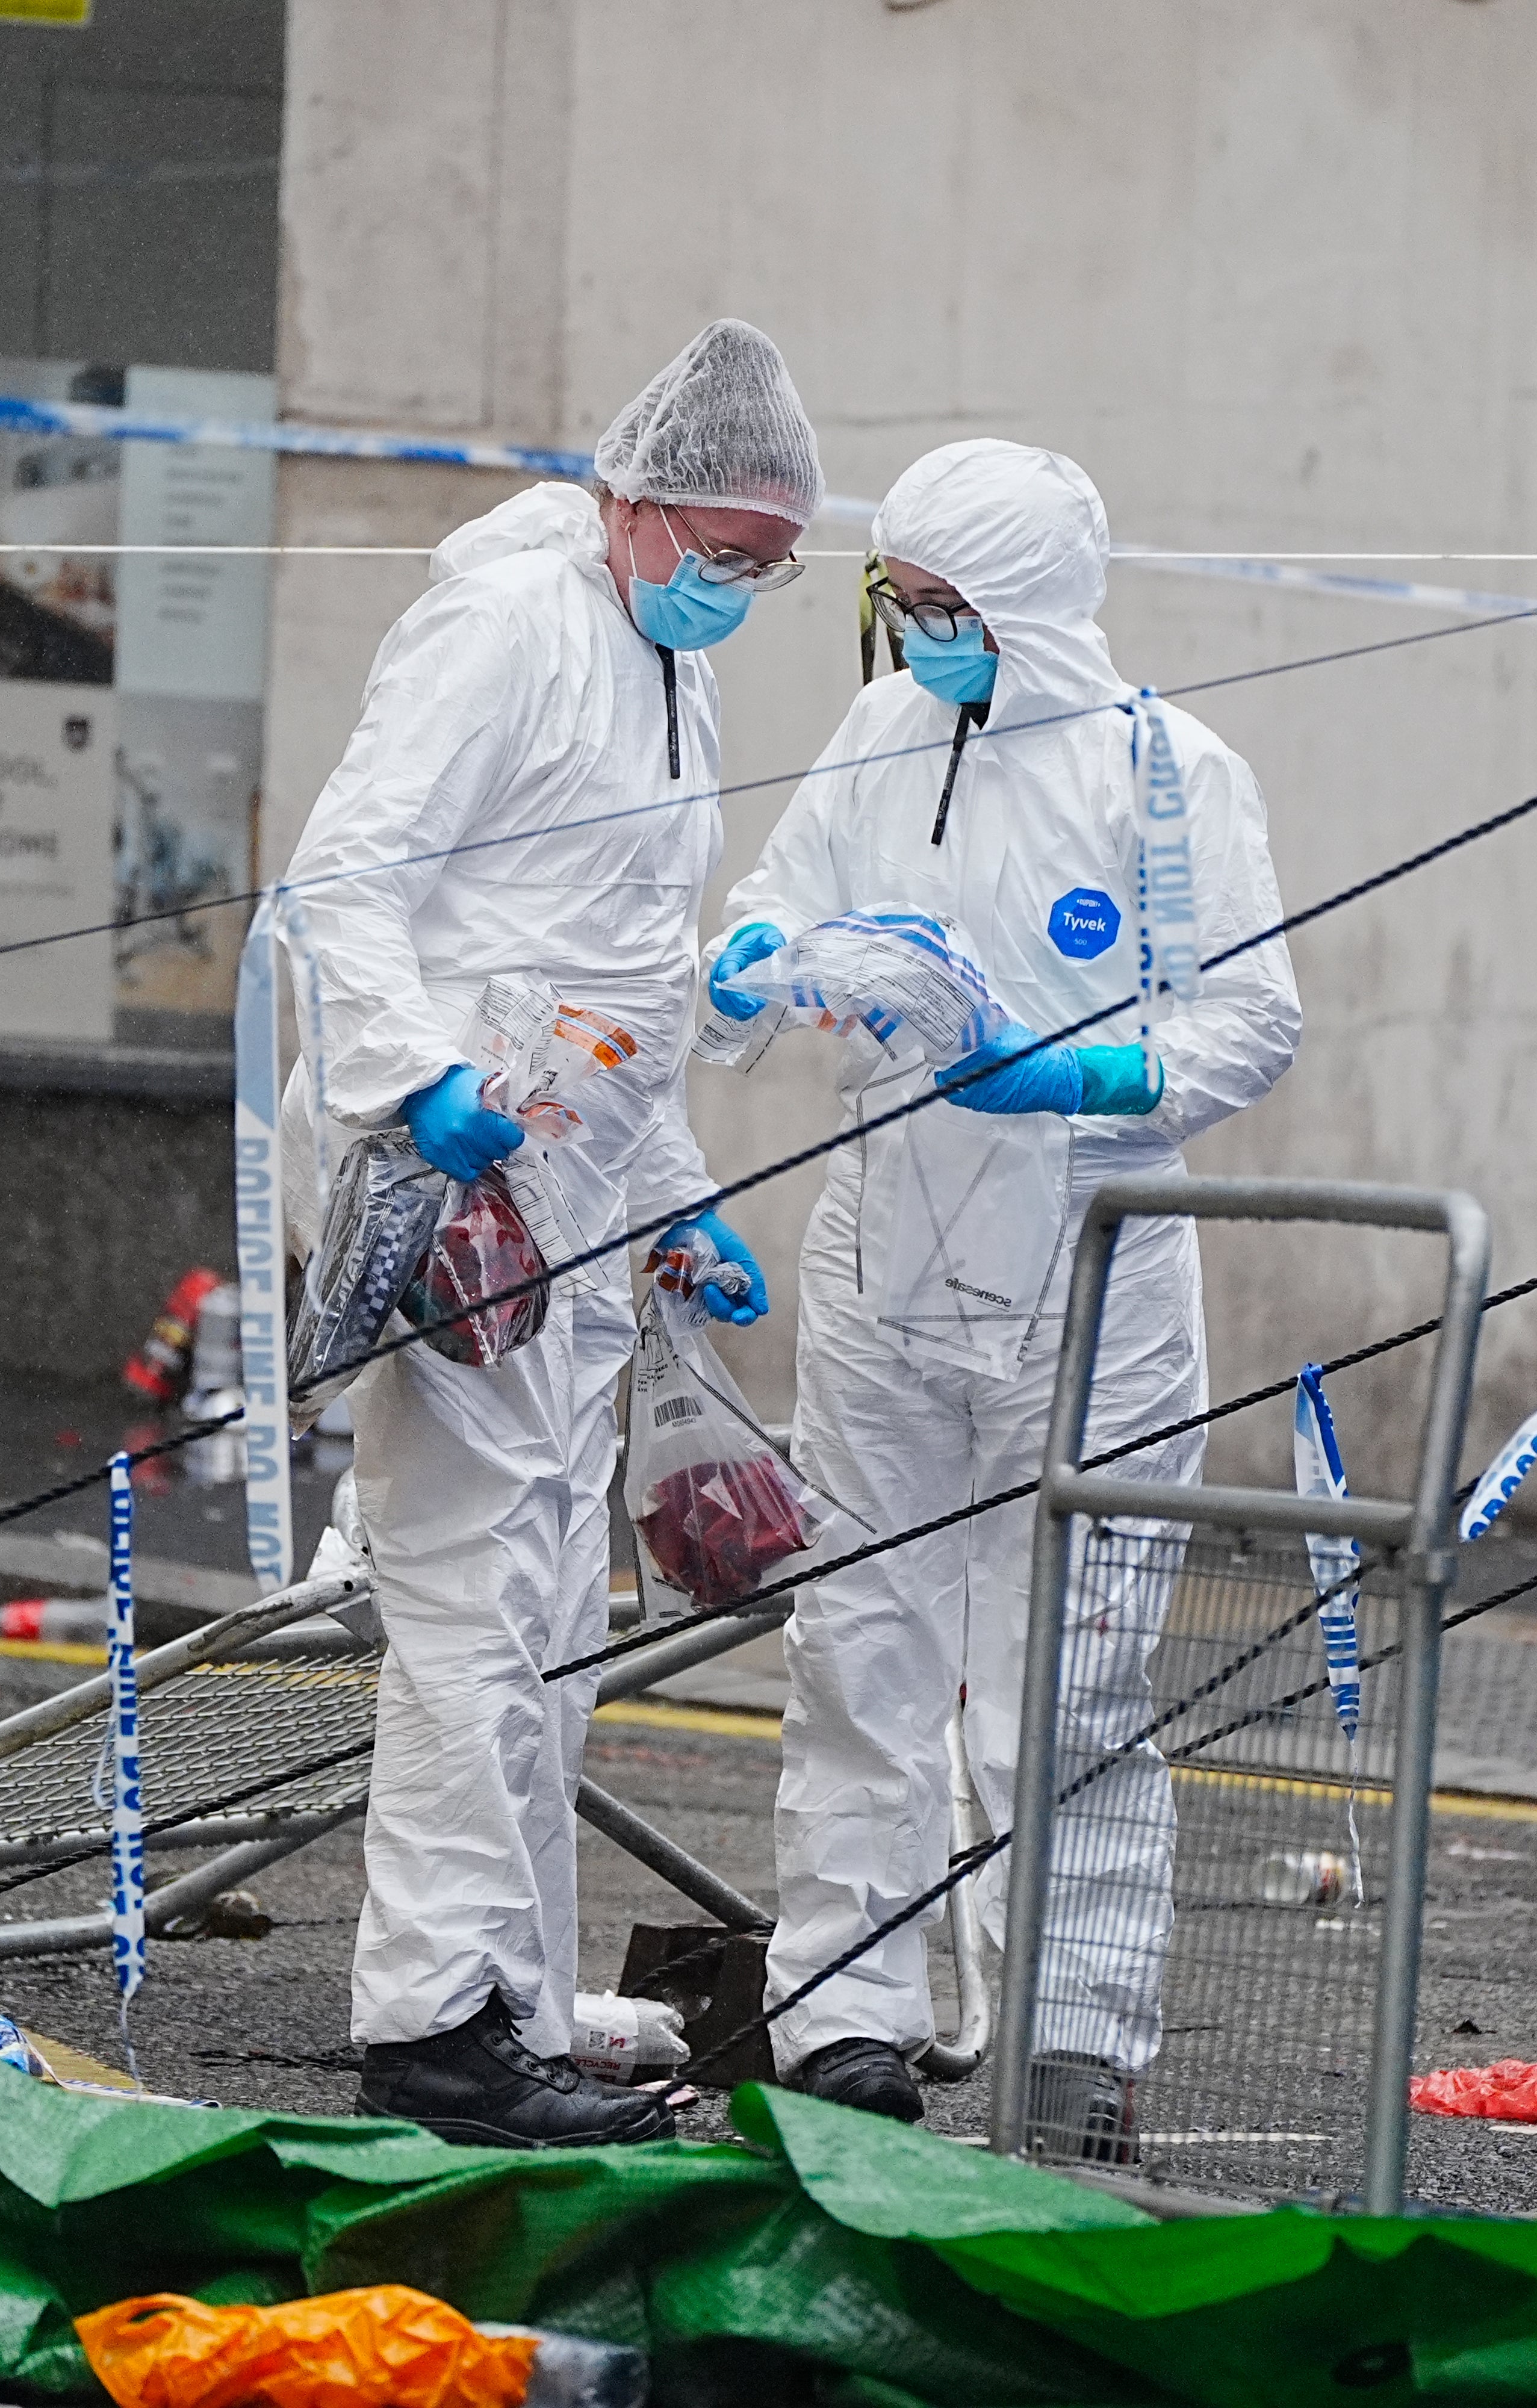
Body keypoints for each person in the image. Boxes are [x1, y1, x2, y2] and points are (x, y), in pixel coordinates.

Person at [705, 440, 1300, 2153]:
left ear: (1029, 609)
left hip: (1092, 1275)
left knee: (1077, 1676)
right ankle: (849, 2023)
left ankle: (1075, 2044)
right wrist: (756, 969)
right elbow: (779, 900)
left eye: (943, 605)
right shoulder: (882, 734)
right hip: (883, 1259)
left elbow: (1249, 1022)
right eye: (899, 600)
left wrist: (1076, 1079)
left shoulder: (1169, 774)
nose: (917, 633)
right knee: (861, 1650)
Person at [277, 320, 817, 2148]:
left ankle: (510, 2001)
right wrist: (415, 1077)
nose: (738, 589)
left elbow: (623, 981)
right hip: (454, 1189)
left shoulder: (671, 672)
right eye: (725, 551)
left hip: (573, 1195)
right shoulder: (504, 625)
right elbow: (348, 871)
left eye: (770, 566)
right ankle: (433, 2028)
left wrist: (675, 1200)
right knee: (473, 1611)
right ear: (635, 500)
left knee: (552, 1627)